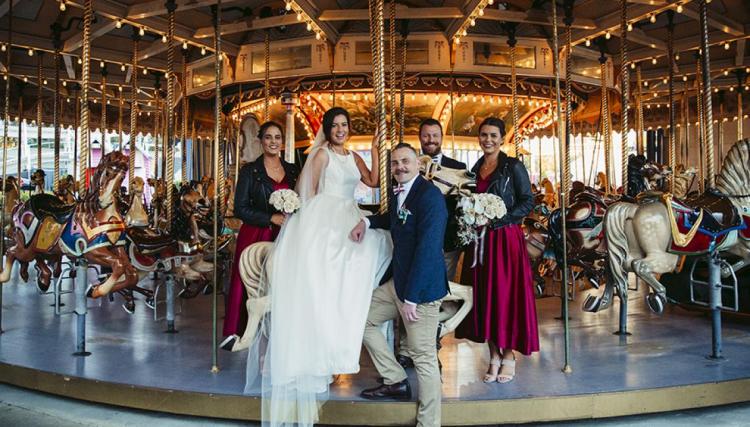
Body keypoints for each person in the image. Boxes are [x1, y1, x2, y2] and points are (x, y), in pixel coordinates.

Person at [244, 107, 392, 427]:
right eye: (335, 125)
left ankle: (343, 333)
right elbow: (308, 196)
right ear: (327, 129)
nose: (340, 129)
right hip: (325, 218)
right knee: (327, 277)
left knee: (375, 247)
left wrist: (378, 148)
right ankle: (320, 348)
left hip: (349, 213)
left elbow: (374, 180)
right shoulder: (322, 154)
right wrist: (309, 232)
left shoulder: (353, 157)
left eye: (344, 125)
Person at [350, 143, 448, 427]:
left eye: (405, 161)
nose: (399, 167)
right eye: (394, 163)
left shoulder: (430, 198)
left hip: (421, 292)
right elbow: (393, 220)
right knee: (363, 319)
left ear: (419, 163)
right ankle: (394, 379)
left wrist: (413, 298)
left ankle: (429, 423)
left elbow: (428, 250)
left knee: (423, 358)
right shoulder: (400, 193)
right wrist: (367, 223)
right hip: (399, 284)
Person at [456, 117, 539, 384]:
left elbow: (528, 201)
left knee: (504, 296)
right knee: (484, 297)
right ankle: (493, 355)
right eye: (483, 135)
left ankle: (509, 355)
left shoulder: (513, 166)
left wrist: (499, 218)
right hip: (480, 241)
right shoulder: (476, 167)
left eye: (493, 135)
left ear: (502, 138)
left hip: (504, 240)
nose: (487, 140)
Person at [221, 121, 299, 351]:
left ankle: (285, 331)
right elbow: (240, 208)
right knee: (246, 281)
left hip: (285, 232)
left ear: (282, 142)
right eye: (268, 137)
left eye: (277, 137)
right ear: (261, 140)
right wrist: (269, 218)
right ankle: (236, 331)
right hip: (258, 231)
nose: (273, 141)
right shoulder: (250, 171)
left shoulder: (292, 169)